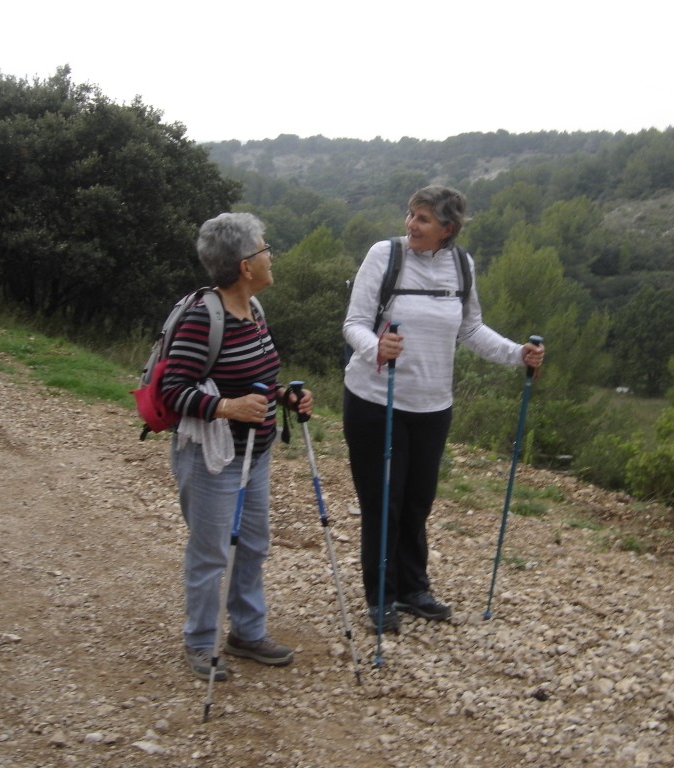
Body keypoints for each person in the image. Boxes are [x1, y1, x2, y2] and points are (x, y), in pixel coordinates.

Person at [342, 185, 545, 632]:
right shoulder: (384, 256)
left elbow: (470, 330)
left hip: (433, 406)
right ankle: (381, 596)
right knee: (383, 503)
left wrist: (517, 354)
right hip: (376, 401)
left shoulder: (461, 265)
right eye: (411, 215)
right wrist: (377, 347)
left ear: (447, 229)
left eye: (424, 219)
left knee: (418, 502)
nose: (412, 225)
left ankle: (414, 589)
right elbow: (354, 323)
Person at [162, 211, 312, 680]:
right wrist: (227, 409)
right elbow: (172, 393)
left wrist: (284, 396)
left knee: (252, 544)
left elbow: (257, 380)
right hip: (213, 458)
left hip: (256, 453)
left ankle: (246, 632)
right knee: (210, 553)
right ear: (246, 264)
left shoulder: (253, 310)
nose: (271, 255)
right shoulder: (202, 317)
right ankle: (200, 643)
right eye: (265, 248)